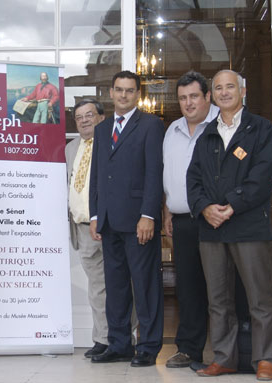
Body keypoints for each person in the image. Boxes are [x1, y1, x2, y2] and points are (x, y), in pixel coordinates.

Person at [187, 69, 272, 381]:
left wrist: (230, 205)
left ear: (242, 91)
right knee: (218, 301)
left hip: (248, 226)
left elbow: (263, 177)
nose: (225, 92)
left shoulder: (262, 129)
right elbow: (193, 180)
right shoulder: (206, 132)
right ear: (211, 96)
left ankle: (266, 359)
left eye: (231, 87)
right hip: (211, 229)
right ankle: (224, 358)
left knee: (260, 299)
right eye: (219, 88)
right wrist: (204, 208)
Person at [89, 71, 164, 367]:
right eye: (118, 90)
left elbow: (154, 173)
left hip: (138, 222)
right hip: (109, 222)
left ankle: (148, 345)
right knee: (116, 288)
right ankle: (119, 344)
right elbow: (97, 174)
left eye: (129, 91)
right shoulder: (103, 127)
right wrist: (95, 214)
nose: (123, 95)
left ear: (137, 94)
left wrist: (148, 214)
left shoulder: (151, 125)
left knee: (145, 287)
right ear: (111, 92)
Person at [162, 71, 219, 368]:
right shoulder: (172, 130)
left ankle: (230, 350)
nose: (188, 103)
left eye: (194, 96)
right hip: (183, 221)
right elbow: (168, 175)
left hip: (218, 219)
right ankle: (189, 349)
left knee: (223, 286)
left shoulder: (224, 124)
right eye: (183, 98)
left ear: (207, 96)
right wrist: (168, 212)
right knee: (188, 287)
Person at [66, 99, 108, 357]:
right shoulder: (70, 148)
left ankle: (127, 336)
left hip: (107, 226)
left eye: (89, 115)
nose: (83, 120)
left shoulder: (111, 143)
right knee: (97, 287)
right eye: (79, 116)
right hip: (82, 228)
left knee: (120, 285)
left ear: (101, 117)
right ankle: (102, 338)